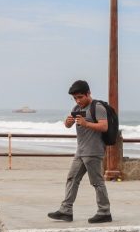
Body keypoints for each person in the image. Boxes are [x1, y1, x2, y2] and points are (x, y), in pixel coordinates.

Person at [47, 80, 112, 223]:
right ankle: (66, 210)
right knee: (72, 178)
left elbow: (104, 126)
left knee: (97, 182)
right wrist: (68, 122)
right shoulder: (76, 107)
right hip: (81, 151)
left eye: (80, 97)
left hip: (93, 151)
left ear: (88, 93)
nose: (78, 100)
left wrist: (86, 123)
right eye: (75, 98)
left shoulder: (98, 107)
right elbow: (68, 125)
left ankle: (104, 212)